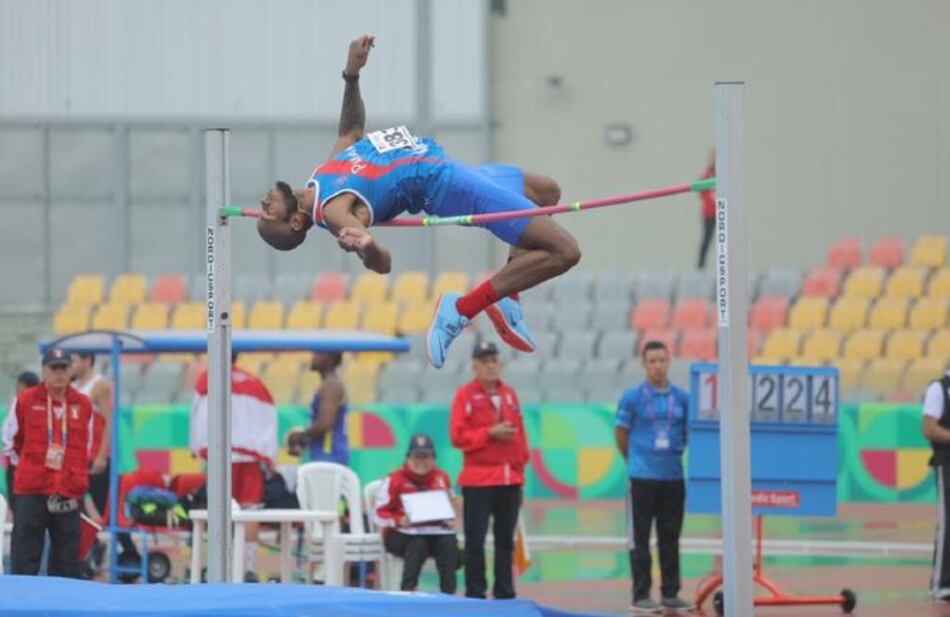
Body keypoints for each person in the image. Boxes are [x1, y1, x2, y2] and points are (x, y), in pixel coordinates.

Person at [254, 35, 581, 368]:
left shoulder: (319, 177)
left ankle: (507, 297)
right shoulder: (331, 210)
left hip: (445, 165)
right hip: (442, 183)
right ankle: (462, 308)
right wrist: (368, 247)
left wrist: (352, 75)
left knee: (545, 193)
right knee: (565, 252)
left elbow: (350, 131)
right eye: (268, 213)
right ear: (295, 222)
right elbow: (382, 263)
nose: (265, 202)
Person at [614, 341, 692, 614]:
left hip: (673, 477)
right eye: (652, 361)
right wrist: (635, 461)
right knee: (640, 538)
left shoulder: (683, 399)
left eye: (662, 360)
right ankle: (641, 595)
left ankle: (671, 594)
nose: (658, 365)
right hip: (642, 479)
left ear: (669, 361)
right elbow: (621, 434)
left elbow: (689, 433)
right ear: (644, 364)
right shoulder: (632, 397)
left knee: (670, 537)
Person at [449, 341, 529, 599]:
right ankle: (476, 593)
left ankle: (505, 592)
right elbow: (457, 436)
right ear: (474, 366)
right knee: (475, 540)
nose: (491, 366)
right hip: (478, 479)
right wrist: (489, 433)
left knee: (505, 540)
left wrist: (519, 470)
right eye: (484, 361)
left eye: (494, 360)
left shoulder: (510, 394)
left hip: (509, 479)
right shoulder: (465, 395)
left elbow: (520, 434)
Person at [190, 354, 278, 581]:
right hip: (249, 459)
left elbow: (197, 414)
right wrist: (270, 456)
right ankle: (247, 568)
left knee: (217, 511)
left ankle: (217, 566)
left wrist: (197, 445)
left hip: (221, 455)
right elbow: (269, 417)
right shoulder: (255, 382)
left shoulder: (208, 379)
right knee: (249, 512)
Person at [9, 348, 94, 578]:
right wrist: (31, 469)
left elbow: (87, 445)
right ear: (44, 371)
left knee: (67, 562)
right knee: (25, 557)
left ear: (70, 371)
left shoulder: (83, 404)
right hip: (32, 490)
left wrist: (73, 473)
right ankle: (22, 611)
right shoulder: (25, 401)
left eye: (63, 368)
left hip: (68, 491)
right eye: (53, 368)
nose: (59, 373)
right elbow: (12, 442)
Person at [373, 433, 461, 594]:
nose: (421, 462)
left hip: (435, 532)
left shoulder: (442, 477)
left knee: (448, 543)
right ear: (407, 458)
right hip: (401, 535)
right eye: (416, 457)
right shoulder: (394, 479)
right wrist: (399, 520)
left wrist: (452, 518)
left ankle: (449, 595)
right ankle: (408, 592)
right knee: (417, 543)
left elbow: (452, 506)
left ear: (433, 458)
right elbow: (378, 514)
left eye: (426, 457)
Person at [286, 352, 350, 465]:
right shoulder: (329, 384)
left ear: (329, 359)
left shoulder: (331, 385)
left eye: (318, 353)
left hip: (329, 456)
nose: (313, 357)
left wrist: (300, 435)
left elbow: (325, 424)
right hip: (325, 455)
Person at [70, 353, 113, 518]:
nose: (70, 365)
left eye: (74, 360)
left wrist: (102, 456)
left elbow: (110, 421)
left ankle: (126, 543)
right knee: (75, 505)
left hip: (93, 456)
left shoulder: (100, 385)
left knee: (102, 506)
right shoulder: (72, 386)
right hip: (75, 457)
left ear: (87, 361)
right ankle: (93, 543)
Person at [922, 367, 950, 600]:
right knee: (948, 522)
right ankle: (941, 584)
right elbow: (929, 428)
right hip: (946, 463)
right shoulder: (938, 389)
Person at [2, 371, 40, 516]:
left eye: (22, 388)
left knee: (25, 508)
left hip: (25, 465)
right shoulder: (15, 403)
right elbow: (8, 432)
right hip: (13, 463)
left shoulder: (35, 407)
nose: (19, 391)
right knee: (15, 504)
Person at [696, 152, 716, 269]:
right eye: (713, 158)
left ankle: (729, 265)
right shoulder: (706, 174)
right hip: (709, 213)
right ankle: (700, 267)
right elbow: (700, 190)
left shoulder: (724, 173)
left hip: (722, 212)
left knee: (725, 239)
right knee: (706, 239)